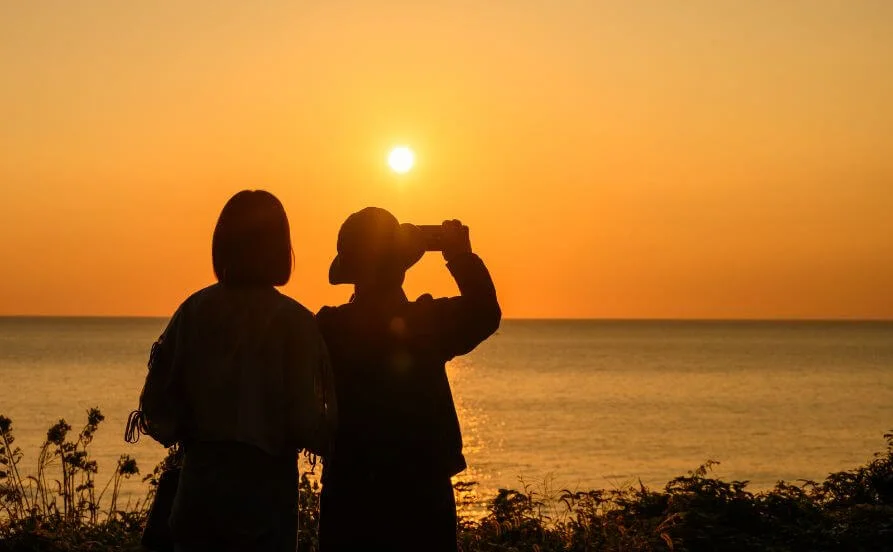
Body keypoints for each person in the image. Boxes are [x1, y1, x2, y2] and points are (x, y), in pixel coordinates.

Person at [138, 190, 336, 552]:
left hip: (200, 488)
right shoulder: (295, 322)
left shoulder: (193, 311)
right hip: (265, 496)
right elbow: (311, 422)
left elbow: (158, 409)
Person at [316, 207, 501, 552]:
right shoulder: (425, 323)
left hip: (351, 488)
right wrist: (460, 256)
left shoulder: (329, 327)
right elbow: (484, 312)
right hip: (420, 490)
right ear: (401, 268)